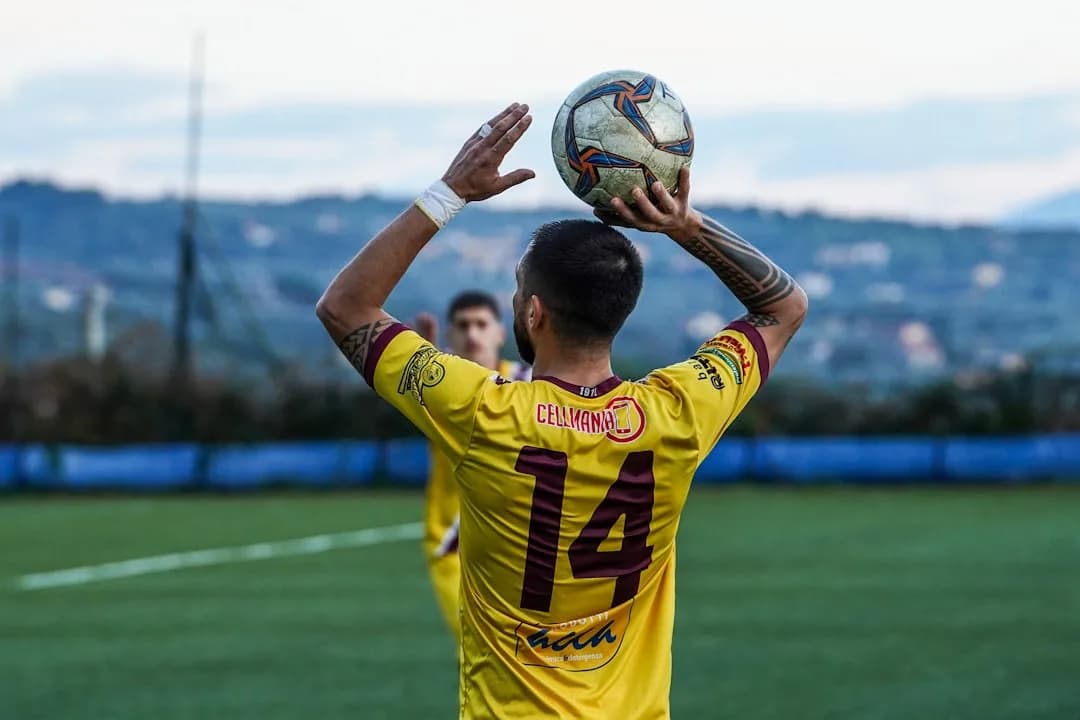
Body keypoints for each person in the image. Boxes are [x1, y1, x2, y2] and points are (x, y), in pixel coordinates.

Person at [317, 103, 807, 719]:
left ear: (533, 313)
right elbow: (783, 308)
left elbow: (346, 308)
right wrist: (683, 225)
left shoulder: (481, 409)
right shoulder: (681, 411)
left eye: (520, 290)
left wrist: (450, 193)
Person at [414, 292, 530, 642]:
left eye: (482, 324)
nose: (473, 335)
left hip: (520, 548)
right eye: (463, 326)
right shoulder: (438, 385)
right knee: (479, 653)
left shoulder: (530, 384)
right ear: (450, 335)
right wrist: (421, 364)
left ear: (500, 333)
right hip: (455, 546)